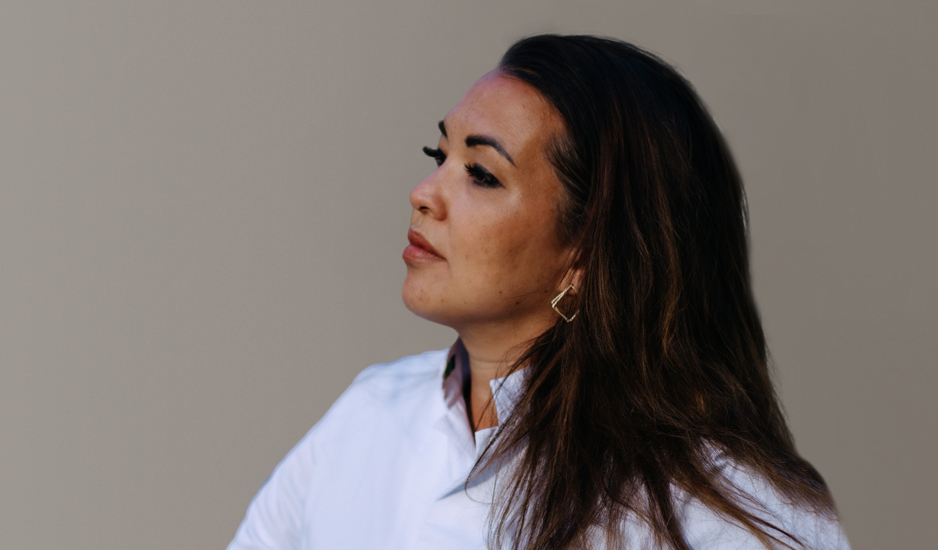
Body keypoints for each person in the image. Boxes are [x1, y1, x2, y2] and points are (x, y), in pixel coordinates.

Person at [227, 34, 848, 550]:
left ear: (585, 252)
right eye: (438, 155)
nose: (423, 193)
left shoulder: (728, 516)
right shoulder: (368, 415)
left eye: (481, 173)